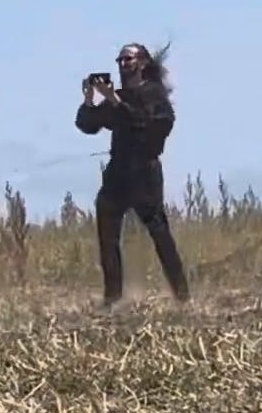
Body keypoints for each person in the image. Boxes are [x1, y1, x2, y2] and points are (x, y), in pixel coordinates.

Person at [75, 42, 190, 305]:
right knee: (107, 231)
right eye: (120, 60)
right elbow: (87, 125)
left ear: (143, 63)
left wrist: (115, 101)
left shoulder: (154, 94)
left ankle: (182, 295)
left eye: (128, 59)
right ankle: (113, 298)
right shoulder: (119, 96)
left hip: (144, 172)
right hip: (118, 172)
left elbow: (143, 123)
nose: (123, 65)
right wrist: (89, 99)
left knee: (159, 233)